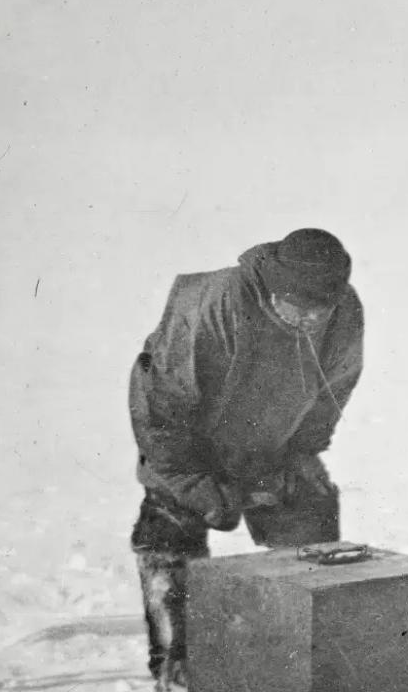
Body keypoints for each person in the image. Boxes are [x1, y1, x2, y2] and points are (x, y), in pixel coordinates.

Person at [127, 228, 364, 689]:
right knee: (169, 535)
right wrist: (191, 482)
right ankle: (178, 666)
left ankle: (300, 655)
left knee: (311, 525)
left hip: (271, 441)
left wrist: (302, 455)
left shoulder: (344, 311)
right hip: (188, 443)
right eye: (298, 306)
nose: (309, 319)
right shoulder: (216, 305)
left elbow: (332, 391)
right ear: (275, 288)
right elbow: (161, 403)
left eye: (321, 310)